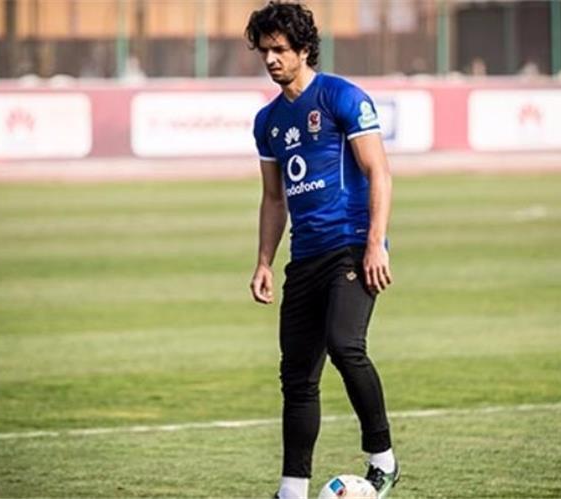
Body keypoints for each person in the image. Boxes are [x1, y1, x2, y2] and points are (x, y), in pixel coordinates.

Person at [245, 2, 400, 498]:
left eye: (279, 49)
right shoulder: (268, 121)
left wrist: (375, 244)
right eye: (264, 51)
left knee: (345, 345)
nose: (271, 59)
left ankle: (382, 459)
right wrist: (264, 262)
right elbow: (274, 198)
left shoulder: (341, 97)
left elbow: (379, 171)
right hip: (305, 257)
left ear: (304, 48)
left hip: (352, 245)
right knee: (296, 375)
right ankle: (292, 489)